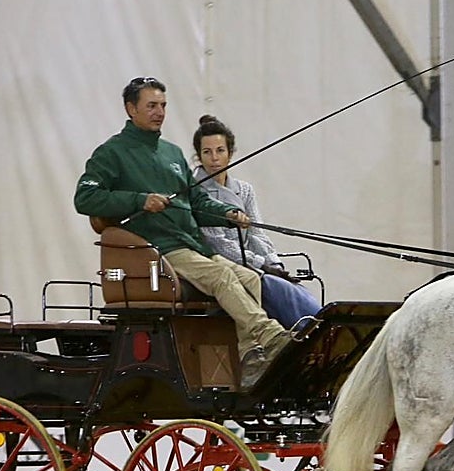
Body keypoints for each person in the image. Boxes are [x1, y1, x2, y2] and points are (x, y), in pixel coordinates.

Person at [74, 76, 289, 387]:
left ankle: (249, 356)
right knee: (222, 277)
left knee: (250, 277)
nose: (159, 112)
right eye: (151, 105)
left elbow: (197, 199)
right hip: (159, 248)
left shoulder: (172, 153)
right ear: (131, 108)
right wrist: (139, 200)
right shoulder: (112, 153)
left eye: (162, 105)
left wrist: (228, 214)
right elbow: (85, 198)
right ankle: (269, 334)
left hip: (192, 245)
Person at [191, 114, 323, 330]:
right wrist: (261, 266)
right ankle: (306, 333)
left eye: (220, 151)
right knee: (276, 289)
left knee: (295, 287)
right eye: (207, 152)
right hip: (223, 262)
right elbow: (218, 244)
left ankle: (320, 327)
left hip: (254, 262)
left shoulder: (244, 190)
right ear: (199, 156)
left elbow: (257, 233)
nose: (214, 158)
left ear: (230, 153)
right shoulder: (198, 192)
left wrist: (274, 263)